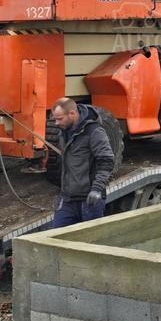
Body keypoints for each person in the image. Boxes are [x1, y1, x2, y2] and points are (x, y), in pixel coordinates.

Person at [49, 97, 115, 228]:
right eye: (55, 119)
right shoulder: (64, 131)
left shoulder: (94, 131)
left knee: (91, 242)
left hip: (89, 200)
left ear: (72, 114)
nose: (56, 123)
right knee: (54, 238)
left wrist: (97, 189)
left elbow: (106, 160)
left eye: (59, 119)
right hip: (68, 199)